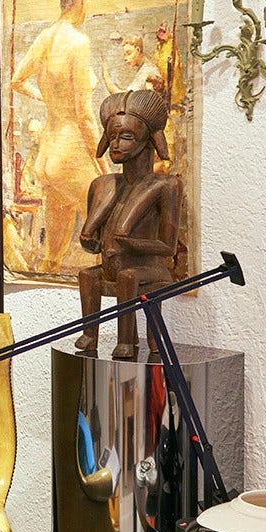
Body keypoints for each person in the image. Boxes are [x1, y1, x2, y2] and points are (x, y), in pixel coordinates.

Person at [11, 0, 105, 275]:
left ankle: (48, 279)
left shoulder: (45, 37)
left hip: (48, 157)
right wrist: (103, 163)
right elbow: (85, 116)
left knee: (54, 254)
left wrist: (46, 98)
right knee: (106, 224)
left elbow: (16, 81)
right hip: (70, 153)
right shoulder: (79, 42)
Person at [75, 89, 182, 359]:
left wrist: (131, 243)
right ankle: (90, 335)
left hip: (150, 269)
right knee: (88, 274)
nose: (116, 144)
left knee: (128, 277)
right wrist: (90, 241)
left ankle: (125, 340)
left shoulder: (165, 186)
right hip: (113, 266)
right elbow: (96, 244)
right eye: (112, 137)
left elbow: (167, 247)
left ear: (149, 140)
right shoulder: (102, 185)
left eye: (126, 137)